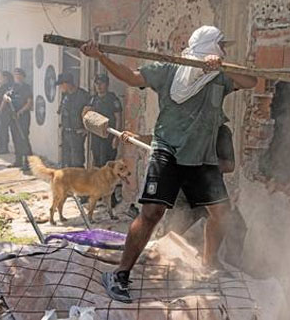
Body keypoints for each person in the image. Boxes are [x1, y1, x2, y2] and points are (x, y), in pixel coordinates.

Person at [80, 25, 257, 303]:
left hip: (203, 158)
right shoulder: (169, 70)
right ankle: (120, 275)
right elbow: (131, 77)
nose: (224, 50)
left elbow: (251, 81)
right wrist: (101, 56)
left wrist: (221, 66)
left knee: (222, 214)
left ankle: (210, 264)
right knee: (151, 213)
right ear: (208, 45)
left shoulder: (220, 77)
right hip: (168, 151)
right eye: (221, 46)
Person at [84, 74, 122, 167]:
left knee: (107, 164)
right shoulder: (93, 99)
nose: (99, 86)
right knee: (96, 162)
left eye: (101, 84)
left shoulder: (113, 99)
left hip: (109, 136)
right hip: (96, 136)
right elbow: (88, 116)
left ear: (107, 85)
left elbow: (118, 118)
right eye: (96, 84)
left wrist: (116, 137)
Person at [57, 72, 90, 168]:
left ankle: (78, 182)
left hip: (77, 133)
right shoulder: (65, 96)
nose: (60, 87)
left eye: (61, 85)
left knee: (77, 162)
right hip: (66, 131)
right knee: (66, 160)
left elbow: (91, 114)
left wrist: (86, 129)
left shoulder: (83, 96)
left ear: (67, 83)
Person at [6, 68, 33, 171]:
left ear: (23, 76)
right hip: (13, 116)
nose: (17, 77)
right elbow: (6, 95)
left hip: (23, 117)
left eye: (19, 75)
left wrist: (20, 112)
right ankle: (18, 161)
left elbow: (29, 102)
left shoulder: (26, 88)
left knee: (24, 138)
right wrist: (6, 98)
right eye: (15, 75)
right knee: (15, 138)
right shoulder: (13, 87)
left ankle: (28, 162)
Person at [0, 71, 14, 154]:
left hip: (4, 111)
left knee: (3, 130)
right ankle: (1, 146)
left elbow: (5, 99)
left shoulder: (8, 87)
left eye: (1, 76)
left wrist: (0, 109)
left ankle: (4, 148)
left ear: (5, 77)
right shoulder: (2, 86)